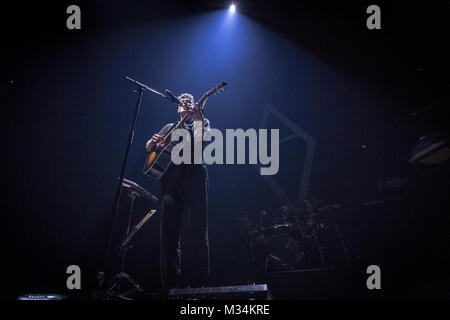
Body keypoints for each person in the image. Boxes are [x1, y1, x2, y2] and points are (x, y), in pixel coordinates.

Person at [145, 93, 210, 289]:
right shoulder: (168, 127)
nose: (184, 103)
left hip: (194, 180)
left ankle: (202, 285)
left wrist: (198, 120)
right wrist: (153, 143)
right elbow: (149, 147)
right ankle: (170, 287)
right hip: (170, 184)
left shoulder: (202, 121)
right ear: (177, 108)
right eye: (182, 102)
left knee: (198, 230)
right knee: (169, 236)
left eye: (188, 101)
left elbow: (203, 141)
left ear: (194, 107)